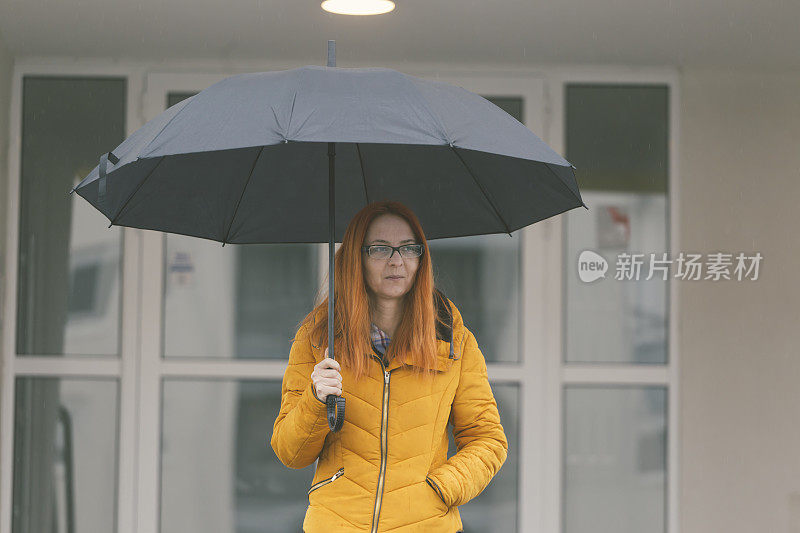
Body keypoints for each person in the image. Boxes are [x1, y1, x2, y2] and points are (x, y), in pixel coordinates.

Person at [271, 200, 508, 533]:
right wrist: (316, 398)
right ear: (357, 257)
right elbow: (289, 452)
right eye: (380, 249)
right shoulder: (318, 337)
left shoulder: (453, 341)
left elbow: (488, 439)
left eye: (409, 249)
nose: (397, 261)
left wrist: (440, 489)